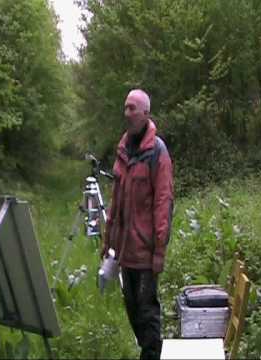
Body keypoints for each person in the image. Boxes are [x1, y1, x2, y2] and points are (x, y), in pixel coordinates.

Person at [102, 89, 174, 359]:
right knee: (133, 310)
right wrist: (108, 241)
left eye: (133, 108)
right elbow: (116, 200)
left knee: (147, 314)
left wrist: (159, 250)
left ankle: (152, 355)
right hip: (124, 252)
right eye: (125, 108)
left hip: (145, 252)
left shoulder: (157, 151)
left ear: (146, 113)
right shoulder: (123, 149)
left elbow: (163, 202)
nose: (127, 113)